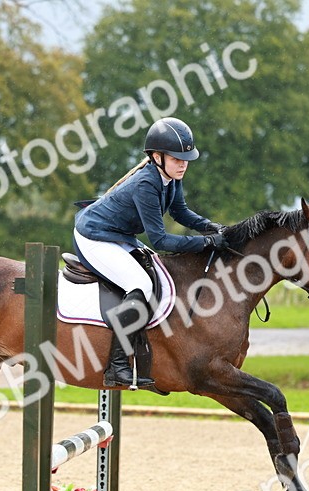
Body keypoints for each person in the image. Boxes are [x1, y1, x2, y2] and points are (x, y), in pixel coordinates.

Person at [73, 117, 225, 389]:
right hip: (93, 237)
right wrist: (205, 243)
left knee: (153, 276)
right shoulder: (147, 183)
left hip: (117, 235)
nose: (183, 164)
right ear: (157, 157)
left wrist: (210, 227)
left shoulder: (170, 178)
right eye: (177, 158)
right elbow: (160, 240)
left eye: (185, 158)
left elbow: (180, 212)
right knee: (140, 284)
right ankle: (117, 366)